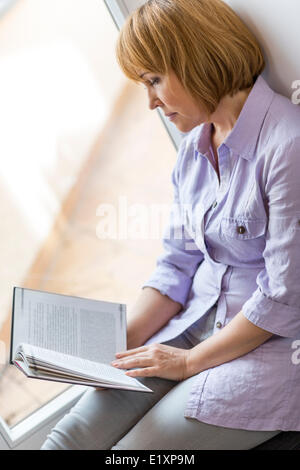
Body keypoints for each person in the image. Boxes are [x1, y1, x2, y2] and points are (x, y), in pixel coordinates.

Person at [41, 0, 300, 450]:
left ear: (196, 61)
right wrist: (121, 339)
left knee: (133, 454)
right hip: (191, 324)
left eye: (154, 80)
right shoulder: (193, 150)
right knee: (68, 438)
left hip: (269, 349)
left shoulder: (287, 146)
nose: (150, 102)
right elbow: (177, 263)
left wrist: (188, 363)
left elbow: (283, 297)